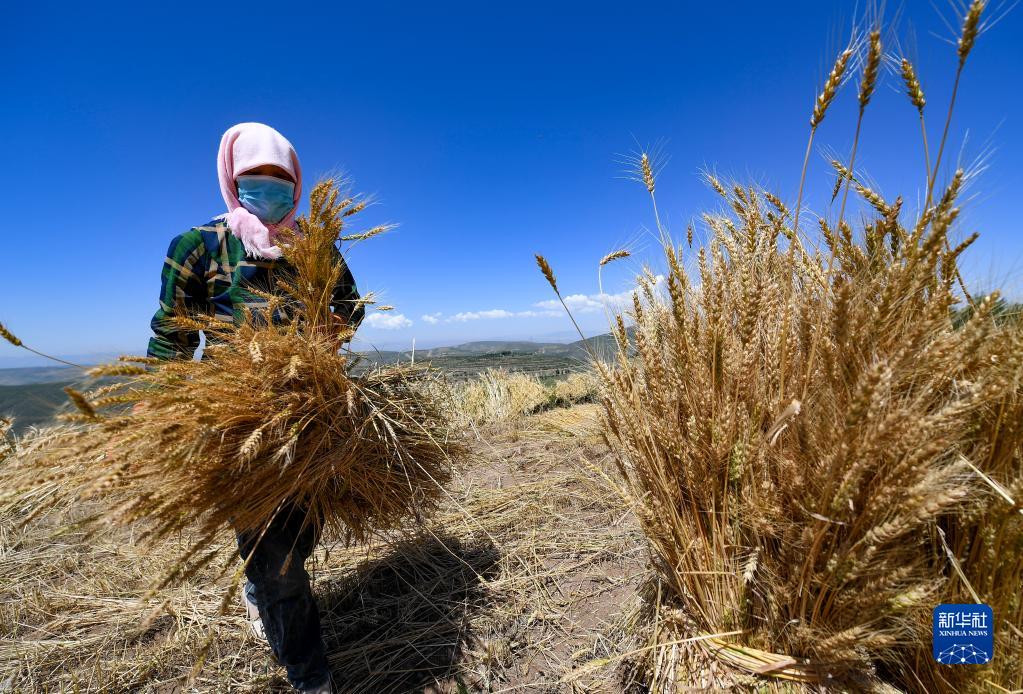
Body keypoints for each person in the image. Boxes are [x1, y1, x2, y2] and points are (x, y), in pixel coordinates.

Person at [146, 122, 364, 694]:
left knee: (306, 526)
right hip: (238, 422)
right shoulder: (197, 246)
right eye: (254, 178)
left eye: (279, 179)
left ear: (296, 184)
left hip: (311, 414)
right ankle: (311, 677)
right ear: (232, 179)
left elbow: (351, 306)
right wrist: (165, 415)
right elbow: (171, 338)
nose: (268, 189)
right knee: (279, 562)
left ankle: (259, 586)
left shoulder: (314, 247)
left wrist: (329, 332)